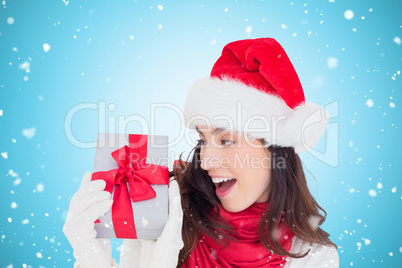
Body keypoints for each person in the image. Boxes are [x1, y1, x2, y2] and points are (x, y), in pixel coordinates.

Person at [63, 37, 339, 267]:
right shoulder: (165, 222)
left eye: (227, 141)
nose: (206, 161)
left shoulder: (314, 258)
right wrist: (91, 257)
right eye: (203, 140)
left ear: (276, 151)